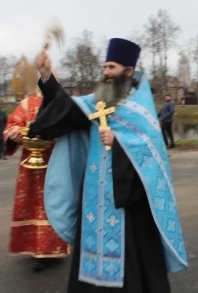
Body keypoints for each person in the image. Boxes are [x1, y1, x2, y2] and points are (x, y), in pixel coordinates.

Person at [28, 38, 188, 292]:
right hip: (94, 199)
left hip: (128, 205)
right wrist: (47, 77)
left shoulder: (141, 110)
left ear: (128, 71)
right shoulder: (96, 102)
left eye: (112, 67)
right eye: (105, 67)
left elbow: (152, 158)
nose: (106, 72)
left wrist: (119, 143)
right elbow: (65, 112)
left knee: (130, 269)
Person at [3, 75, 69, 272]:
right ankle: (33, 246)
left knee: (54, 205)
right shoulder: (27, 103)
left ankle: (51, 248)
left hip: (56, 162)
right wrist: (13, 132)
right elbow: (13, 123)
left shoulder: (62, 104)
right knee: (30, 204)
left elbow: (72, 129)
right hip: (29, 166)